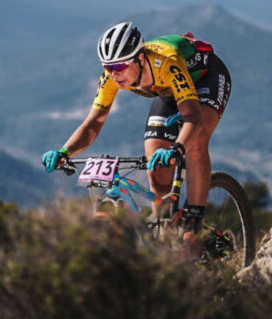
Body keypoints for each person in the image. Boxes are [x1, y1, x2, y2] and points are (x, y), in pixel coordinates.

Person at [43, 22, 231, 236]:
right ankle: (165, 232)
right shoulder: (111, 77)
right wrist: (65, 151)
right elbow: (93, 123)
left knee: (195, 142)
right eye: (108, 67)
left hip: (206, 78)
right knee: (155, 162)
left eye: (120, 66)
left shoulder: (167, 63)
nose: (114, 74)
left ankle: (193, 225)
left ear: (140, 59)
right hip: (170, 91)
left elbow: (193, 119)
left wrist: (177, 148)